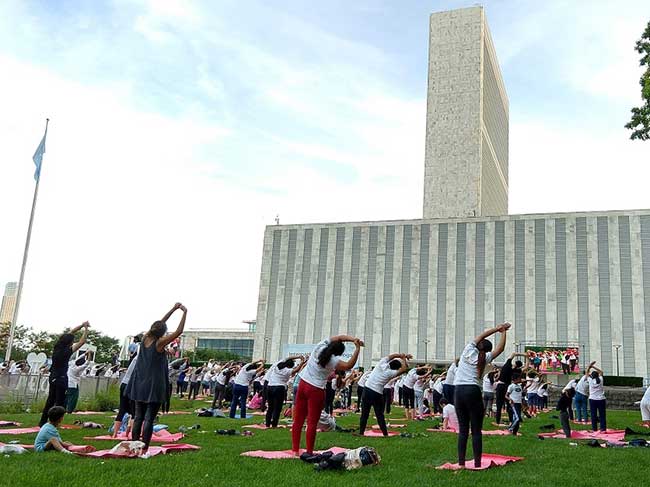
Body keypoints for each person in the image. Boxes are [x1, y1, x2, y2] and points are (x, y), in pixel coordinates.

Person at [125, 303, 187, 454]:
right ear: (162, 332)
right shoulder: (159, 343)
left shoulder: (146, 337)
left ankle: (135, 444)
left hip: (139, 382)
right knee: (149, 418)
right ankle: (144, 447)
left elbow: (160, 323)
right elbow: (179, 331)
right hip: (153, 384)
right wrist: (184, 312)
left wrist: (172, 310)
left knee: (138, 416)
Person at [291, 335, 363, 455]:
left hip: (303, 384)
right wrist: (357, 348)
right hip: (316, 389)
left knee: (298, 421)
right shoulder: (333, 361)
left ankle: (295, 450)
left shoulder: (319, 347)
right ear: (338, 353)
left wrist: (352, 339)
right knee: (312, 423)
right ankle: (309, 452)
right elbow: (349, 365)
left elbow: (338, 337)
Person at [454, 322, 511, 468]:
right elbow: (501, 348)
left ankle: (461, 463)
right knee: (476, 430)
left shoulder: (467, 349)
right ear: (486, 350)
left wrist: (498, 328)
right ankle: (477, 463)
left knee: (463, 430)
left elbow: (482, 335)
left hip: (458, 391)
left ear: (478, 344)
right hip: (472, 391)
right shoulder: (484, 358)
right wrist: (504, 332)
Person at [39, 322, 90, 426]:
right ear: (69, 343)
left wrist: (81, 325)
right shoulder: (67, 351)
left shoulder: (57, 347)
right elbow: (82, 341)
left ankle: (43, 421)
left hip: (53, 376)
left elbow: (70, 332)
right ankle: (55, 422)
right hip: (61, 378)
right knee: (59, 402)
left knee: (50, 400)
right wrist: (85, 329)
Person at [359, 353, 411, 436]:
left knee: (364, 414)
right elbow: (404, 369)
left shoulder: (381, 364)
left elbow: (391, 356)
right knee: (379, 415)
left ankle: (361, 432)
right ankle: (385, 434)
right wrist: (404, 359)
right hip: (377, 393)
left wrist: (401, 356)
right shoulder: (391, 373)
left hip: (367, 390)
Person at [265, 355, 304, 428]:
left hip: (270, 386)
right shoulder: (287, 370)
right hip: (279, 388)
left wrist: (298, 357)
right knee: (277, 408)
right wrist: (302, 362)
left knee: (270, 407)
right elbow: (297, 370)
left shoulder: (277, 365)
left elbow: (288, 358)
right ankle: (274, 424)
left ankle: (267, 424)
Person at [494, 352, 524, 425]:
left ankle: (498, 421)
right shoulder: (516, 371)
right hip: (508, 386)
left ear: (514, 364)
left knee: (499, 405)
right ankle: (511, 421)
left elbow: (512, 354)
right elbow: (525, 368)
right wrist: (526, 357)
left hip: (500, 386)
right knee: (509, 405)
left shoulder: (506, 366)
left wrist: (521, 354)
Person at [586, 361, 606, 432]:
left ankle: (594, 428)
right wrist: (593, 367)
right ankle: (603, 429)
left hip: (593, 399)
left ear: (592, 376)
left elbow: (586, 373)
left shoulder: (590, 380)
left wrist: (589, 366)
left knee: (593, 414)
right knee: (602, 414)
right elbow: (601, 372)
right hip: (601, 399)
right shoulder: (600, 380)